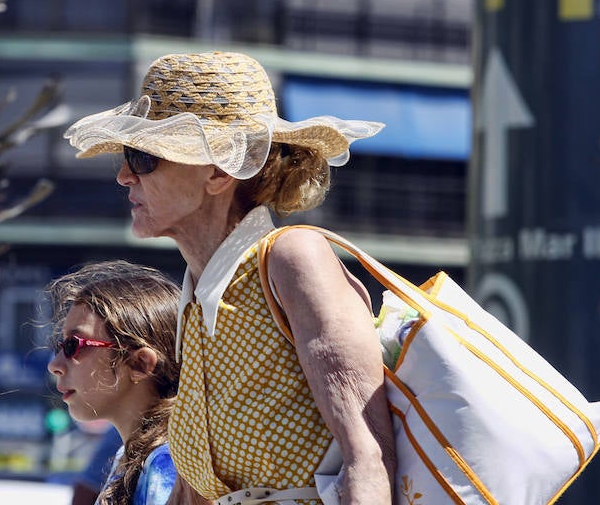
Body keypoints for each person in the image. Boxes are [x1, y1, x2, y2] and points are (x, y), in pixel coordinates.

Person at [62, 51, 396, 505]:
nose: (124, 176)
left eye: (142, 157)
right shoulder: (194, 298)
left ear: (219, 170)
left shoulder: (290, 257)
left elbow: (369, 458)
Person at [47, 260, 181, 505]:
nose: (54, 364)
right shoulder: (133, 456)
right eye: (60, 345)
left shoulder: (166, 464)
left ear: (140, 364)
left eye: (73, 345)